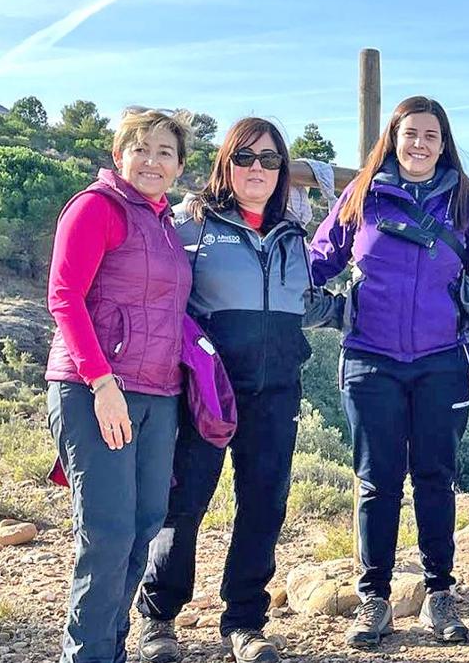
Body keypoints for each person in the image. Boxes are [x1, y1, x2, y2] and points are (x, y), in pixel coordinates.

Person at [308, 95, 469, 648]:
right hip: (369, 359)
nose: (420, 144)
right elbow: (316, 261)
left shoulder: (465, 203)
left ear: (443, 144)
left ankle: (439, 593)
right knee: (377, 481)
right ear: (394, 139)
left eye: (431, 135)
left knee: (434, 478)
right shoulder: (362, 195)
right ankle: (374, 598)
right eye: (410, 133)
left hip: (442, 361)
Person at [134, 118, 343, 663]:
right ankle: (158, 619)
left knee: (264, 504)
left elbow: (307, 305)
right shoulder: (192, 224)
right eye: (245, 157)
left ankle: (245, 623)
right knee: (184, 503)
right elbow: (153, 287)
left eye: (270, 160)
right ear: (225, 164)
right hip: (206, 391)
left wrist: (376, 313)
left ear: (282, 172)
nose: (257, 169)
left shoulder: (294, 237)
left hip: (276, 393)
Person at [45, 107, 194, 663]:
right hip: (96, 389)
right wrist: (101, 383)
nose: (152, 161)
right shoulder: (96, 207)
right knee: (107, 533)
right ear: (119, 155)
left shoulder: (166, 224)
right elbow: (64, 297)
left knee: (143, 525)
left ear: (179, 166)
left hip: (159, 393)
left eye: (164, 152)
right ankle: (86, 654)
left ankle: (110, 648)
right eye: (141, 149)